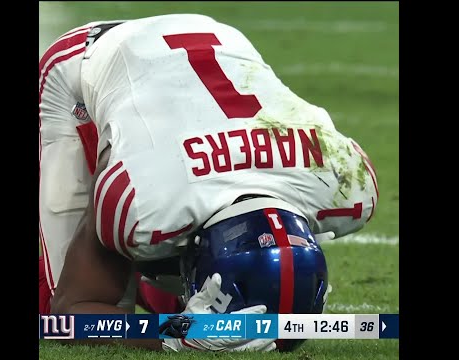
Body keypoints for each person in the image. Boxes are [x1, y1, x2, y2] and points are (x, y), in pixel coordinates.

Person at [39, 14, 378, 352]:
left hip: (213, 42)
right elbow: (70, 316)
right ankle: (157, 283)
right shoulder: (144, 198)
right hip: (90, 60)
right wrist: (176, 337)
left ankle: (166, 287)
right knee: (69, 306)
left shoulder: (348, 182)